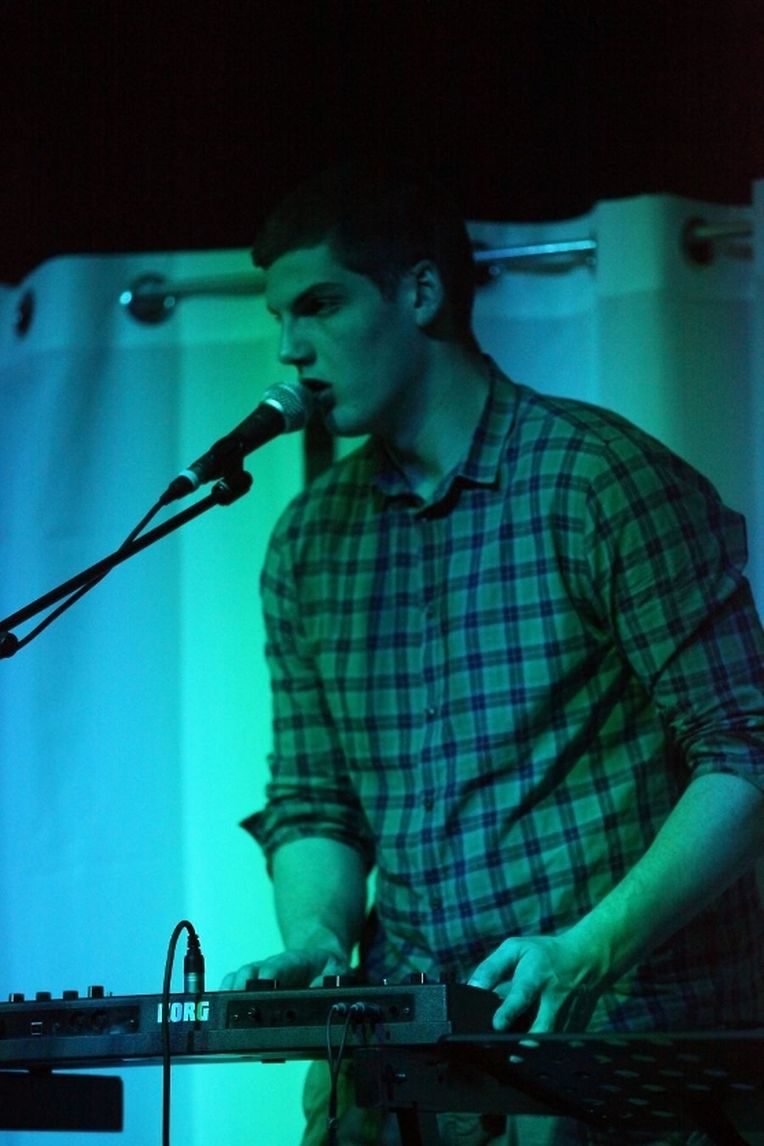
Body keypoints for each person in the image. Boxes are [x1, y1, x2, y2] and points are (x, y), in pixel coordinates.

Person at [222, 161, 764, 1145]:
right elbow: (315, 800)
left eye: (321, 305)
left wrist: (587, 948)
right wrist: (316, 939)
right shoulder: (308, 541)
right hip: (406, 1074)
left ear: (421, 292)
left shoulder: (598, 481)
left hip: (618, 1062)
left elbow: (746, 750)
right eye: (280, 316)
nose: (290, 348)